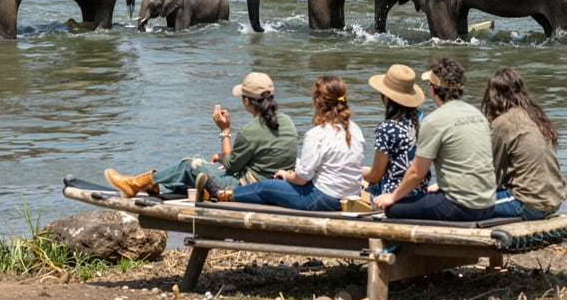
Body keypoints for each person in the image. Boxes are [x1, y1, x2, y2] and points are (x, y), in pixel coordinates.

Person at [104, 72, 298, 198]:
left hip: (246, 189)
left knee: (191, 163)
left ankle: (135, 184)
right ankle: (154, 187)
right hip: (275, 186)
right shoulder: (288, 122)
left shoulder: (251, 131)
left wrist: (224, 131)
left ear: (246, 101)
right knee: (199, 165)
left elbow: (231, 168)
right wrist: (222, 157)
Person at [196, 74, 365, 212]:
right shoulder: (355, 129)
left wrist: (285, 175)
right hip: (350, 195)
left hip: (323, 199)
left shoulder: (317, 133)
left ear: (317, 101)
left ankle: (220, 194)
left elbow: (302, 179)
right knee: (274, 185)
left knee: (265, 187)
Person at [373, 57, 497, 221]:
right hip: (488, 204)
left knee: (393, 209)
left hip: (458, 207)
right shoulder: (477, 114)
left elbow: (417, 173)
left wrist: (393, 197)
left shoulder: (434, 121)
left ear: (432, 89)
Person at [481, 67, 565, 220]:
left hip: (528, 204)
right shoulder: (536, 116)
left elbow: (491, 175)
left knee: (466, 203)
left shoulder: (503, 123)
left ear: (493, 95)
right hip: (554, 200)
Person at [363, 64, 430, 198]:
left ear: (386, 97)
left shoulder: (387, 128)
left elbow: (375, 176)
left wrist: (354, 170)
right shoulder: (423, 121)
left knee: (357, 183)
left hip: (392, 196)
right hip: (419, 194)